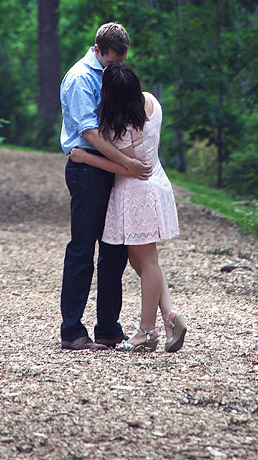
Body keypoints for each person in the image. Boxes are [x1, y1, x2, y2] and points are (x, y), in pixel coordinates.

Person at [70, 62, 188, 354]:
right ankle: (170, 316)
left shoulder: (117, 126)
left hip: (136, 194)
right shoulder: (152, 102)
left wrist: (84, 158)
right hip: (157, 185)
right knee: (141, 263)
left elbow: (125, 167)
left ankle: (147, 332)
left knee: (147, 263)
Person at [59, 22, 151, 351]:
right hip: (88, 170)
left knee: (114, 250)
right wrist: (127, 163)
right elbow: (90, 134)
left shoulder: (108, 72)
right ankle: (71, 330)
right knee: (83, 248)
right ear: (97, 50)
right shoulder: (81, 79)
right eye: (112, 62)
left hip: (111, 169)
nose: (116, 68)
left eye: (121, 63)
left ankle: (109, 327)